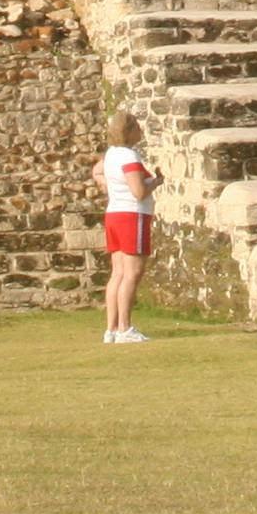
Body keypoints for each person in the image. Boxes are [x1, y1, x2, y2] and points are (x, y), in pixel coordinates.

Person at [97, 111, 154, 346]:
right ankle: (125, 328)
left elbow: (97, 172)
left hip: (114, 213)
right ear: (129, 131)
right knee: (132, 273)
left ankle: (111, 329)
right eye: (137, 127)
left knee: (118, 273)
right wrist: (154, 184)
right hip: (132, 214)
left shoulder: (111, 154)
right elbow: (139, 192)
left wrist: (110, 187)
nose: (140, 131)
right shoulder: (129, 156)